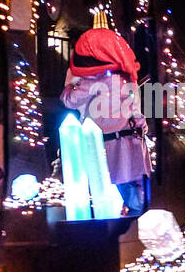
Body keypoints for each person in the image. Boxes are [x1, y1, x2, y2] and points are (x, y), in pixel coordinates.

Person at [60, 28, 152, 215]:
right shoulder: (126, 78)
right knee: (136, 196)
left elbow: (68, 100)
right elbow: (137, 111)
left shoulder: (93, 81)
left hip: (108, 149)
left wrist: (70, 82)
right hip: (132, 143)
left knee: (111, 201)